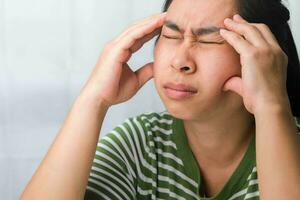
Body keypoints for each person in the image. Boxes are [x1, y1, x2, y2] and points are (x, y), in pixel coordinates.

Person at [21, 0, 300, 199]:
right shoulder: (142, 144)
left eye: (208, 40)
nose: (180, 61)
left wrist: (271, 107)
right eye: (170, 35)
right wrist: (93, 99)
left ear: (263, 54)